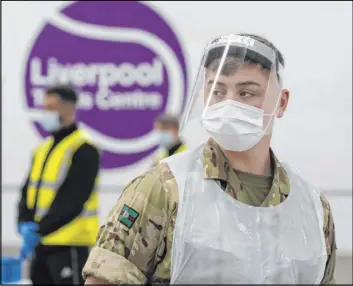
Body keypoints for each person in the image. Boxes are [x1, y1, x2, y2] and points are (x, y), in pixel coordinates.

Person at [82, 33, 337, 284]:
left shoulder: (312, 208)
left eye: (246, 93)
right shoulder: (166, 188)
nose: (228, 104)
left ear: (281, 103)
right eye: (217, 91)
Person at [17, 85, 101, 285]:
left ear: (69, 109)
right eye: (44, 107)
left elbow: (72, 200)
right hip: (42, 244)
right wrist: (23, 221)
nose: (45, 113)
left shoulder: (84, 148)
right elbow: (28, 190)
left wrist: (39, 229)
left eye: (51, 107)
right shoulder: (42, 148)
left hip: (69, 244)